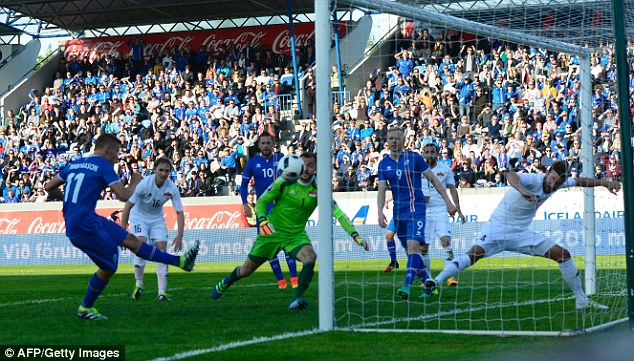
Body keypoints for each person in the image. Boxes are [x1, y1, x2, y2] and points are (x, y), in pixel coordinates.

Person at [44, 134, 200, 320]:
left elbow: (49, 186)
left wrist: (69, 202)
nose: (117, 157)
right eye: (116, 152)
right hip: (84, 225)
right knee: (109, 266)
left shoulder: (75, 164)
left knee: (131, 240)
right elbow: (123, 195)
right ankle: (85, 307)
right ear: (107, 150)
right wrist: (136, 181)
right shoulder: (103, 165)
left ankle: (180, 262)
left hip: (86, 219)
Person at [430, 160, 620, 310]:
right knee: (473, 255)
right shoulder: (534, 179)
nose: (552, 184)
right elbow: (510, 175)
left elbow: (579, 181)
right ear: (546, 173)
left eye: (558, 182)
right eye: (551, 179)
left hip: (522, 233)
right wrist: (521, 190)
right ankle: (434, 282)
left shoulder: (559, 184)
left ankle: (582, 301)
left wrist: (605, 183)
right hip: (497, 228)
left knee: (563, 255)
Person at [213, 152, 369, 310]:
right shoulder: (285, 181)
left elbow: (338, 213)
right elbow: (262, 201)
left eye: (310, 165)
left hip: (295, 235)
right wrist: (262, 219)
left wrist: (354, 234)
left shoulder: (320, 188)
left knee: (310, 256)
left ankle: (297, 297)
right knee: (246, 270)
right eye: (304, 165)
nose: (307, 169)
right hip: (271, 232)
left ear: (316, 168)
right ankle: (227, 281)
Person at [377, 127, 457, 300]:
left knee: (414, 248)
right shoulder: (383, 164)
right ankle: (429, 284)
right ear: (387, 141)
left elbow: (434, 180)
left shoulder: (414, 158)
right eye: (391, 138)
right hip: (399, 212)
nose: (394, 141)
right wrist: (379, 211)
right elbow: (382, 189)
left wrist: (449, 202)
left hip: (416, 209)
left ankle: (406, 286)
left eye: (397, 138)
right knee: (410, 252)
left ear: (403, 140)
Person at [120, 157, 185, 302]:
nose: (163, 174)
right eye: (160, 170)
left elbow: (179, 212)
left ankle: (162, 293)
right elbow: (127, 207)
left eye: (166, 171)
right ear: (154, 169)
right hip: (139, 216)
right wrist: (123, 232)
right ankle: (138, 284)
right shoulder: (144, 184)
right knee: (141, 244)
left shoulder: (172, 188)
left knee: (162, 251)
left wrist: (180, 235)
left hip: (157, 219)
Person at [239, 133, 298, 289]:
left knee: (287, 243)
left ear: (273, 144)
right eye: (263, 143)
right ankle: (281, 281)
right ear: (259, 145)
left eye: (268, 143)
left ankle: (294, 280)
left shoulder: (281, 159)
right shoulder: (252, 163)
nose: (265, 146)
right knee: (267, 246)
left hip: (281, 209)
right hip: (263, 210)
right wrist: (245, 204)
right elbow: (243, 186)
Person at [420, 143, 466, 288]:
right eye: (426, 152)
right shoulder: (417, 170)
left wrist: (457, 208)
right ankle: (427, 279)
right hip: (423, 212)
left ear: (437, 153)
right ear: (423, 153)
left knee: (446, 241)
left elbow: (452, 189)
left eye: (432, 152)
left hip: (440, 210)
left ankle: (450, 276)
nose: (429, 155)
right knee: (423, 248)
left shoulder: (445, 169)